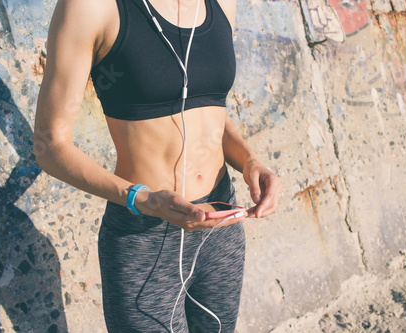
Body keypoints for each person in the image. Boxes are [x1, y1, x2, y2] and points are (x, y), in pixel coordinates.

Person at [34, 0, 282, 331]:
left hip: (220, 226)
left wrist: (249, 159)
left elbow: (202, 104)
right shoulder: (91, 7)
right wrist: (143, 198)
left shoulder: (222, 3)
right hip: (143, 239)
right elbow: (50, 144)